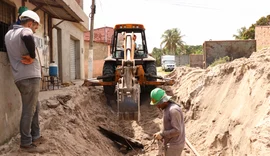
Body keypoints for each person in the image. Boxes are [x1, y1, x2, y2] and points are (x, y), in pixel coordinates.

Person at [5, 10, 45, 152]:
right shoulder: (25, 31)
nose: (34, 30)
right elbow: (27, 35)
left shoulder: (9, 34)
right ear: (29, 23)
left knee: (35, 106)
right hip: (29, 77)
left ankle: (36, 135)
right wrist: (33, 56)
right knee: (29, 110)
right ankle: (26, 143)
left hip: (20, 78)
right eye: (35, 27)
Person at [150, 88, 185, 156]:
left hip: (174, 146)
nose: (157, 106)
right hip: (170, 143)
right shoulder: (166, 108)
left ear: (164, 101)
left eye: (158, 104)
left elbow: (177, 131)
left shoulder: (173, 110)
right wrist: (160, 133)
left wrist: (162, 134)